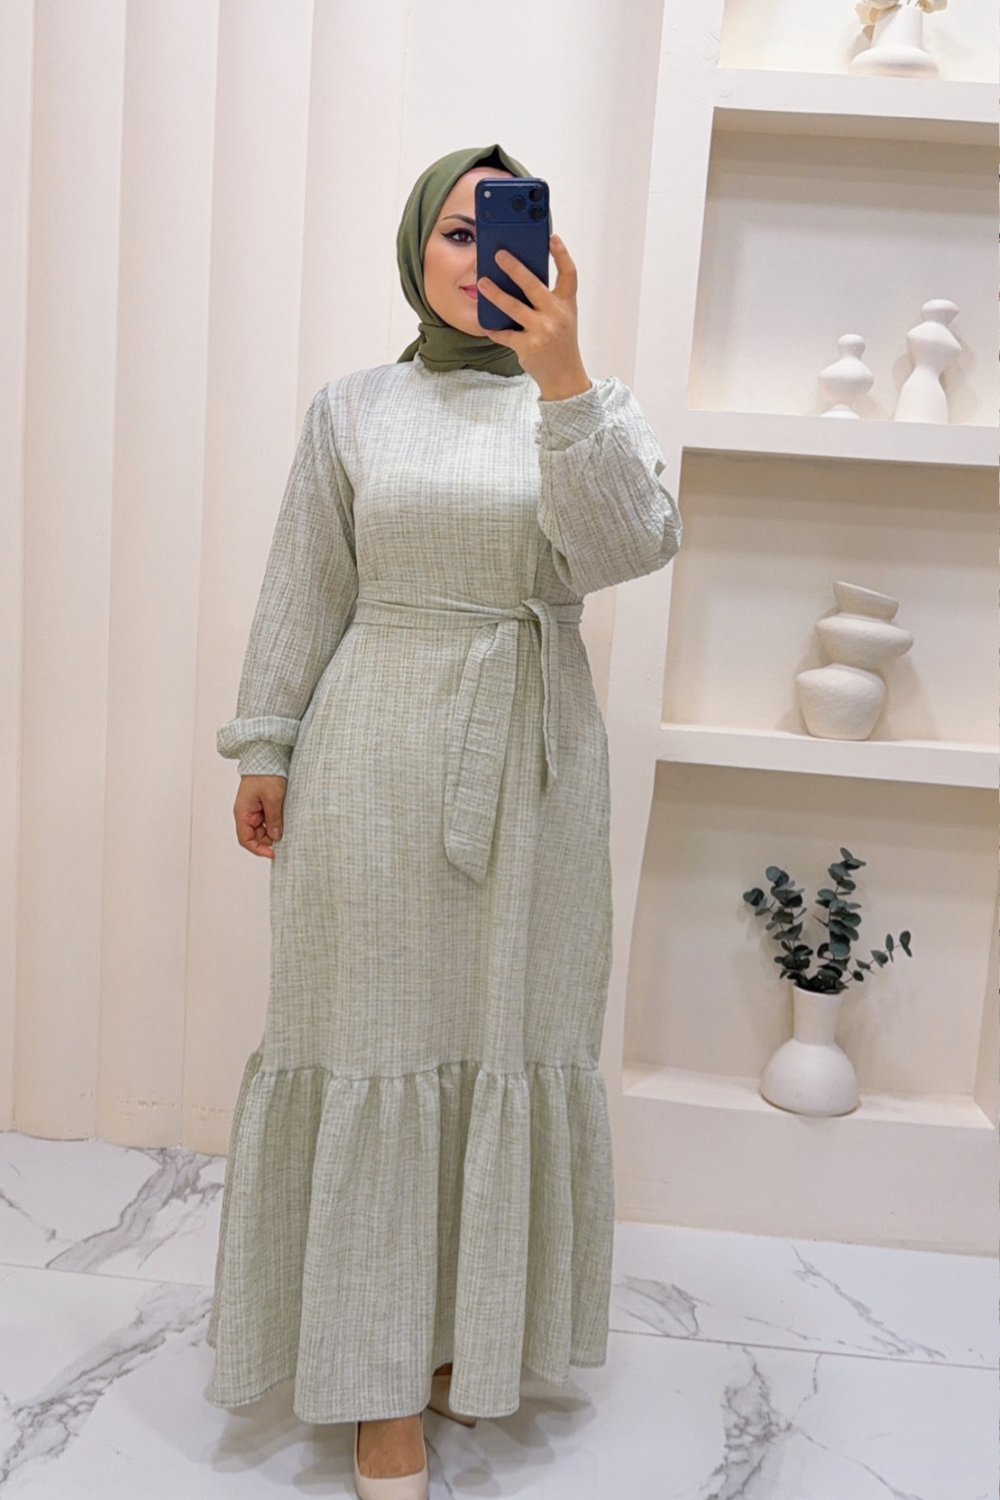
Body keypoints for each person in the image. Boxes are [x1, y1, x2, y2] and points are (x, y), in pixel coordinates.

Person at [206, 142, 683, 1500]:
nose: (482, 256)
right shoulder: (352, 409)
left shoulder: (584, 404)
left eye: (506, 228)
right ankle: (373, 1382)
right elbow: (306, 580)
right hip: (373, 756)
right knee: (372, 1039)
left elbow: (630, 548)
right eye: (457, 231)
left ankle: (468, 1331)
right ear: (417, 248)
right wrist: (265, 742)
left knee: (507, 1033)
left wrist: (564, 377)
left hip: (534, 764)